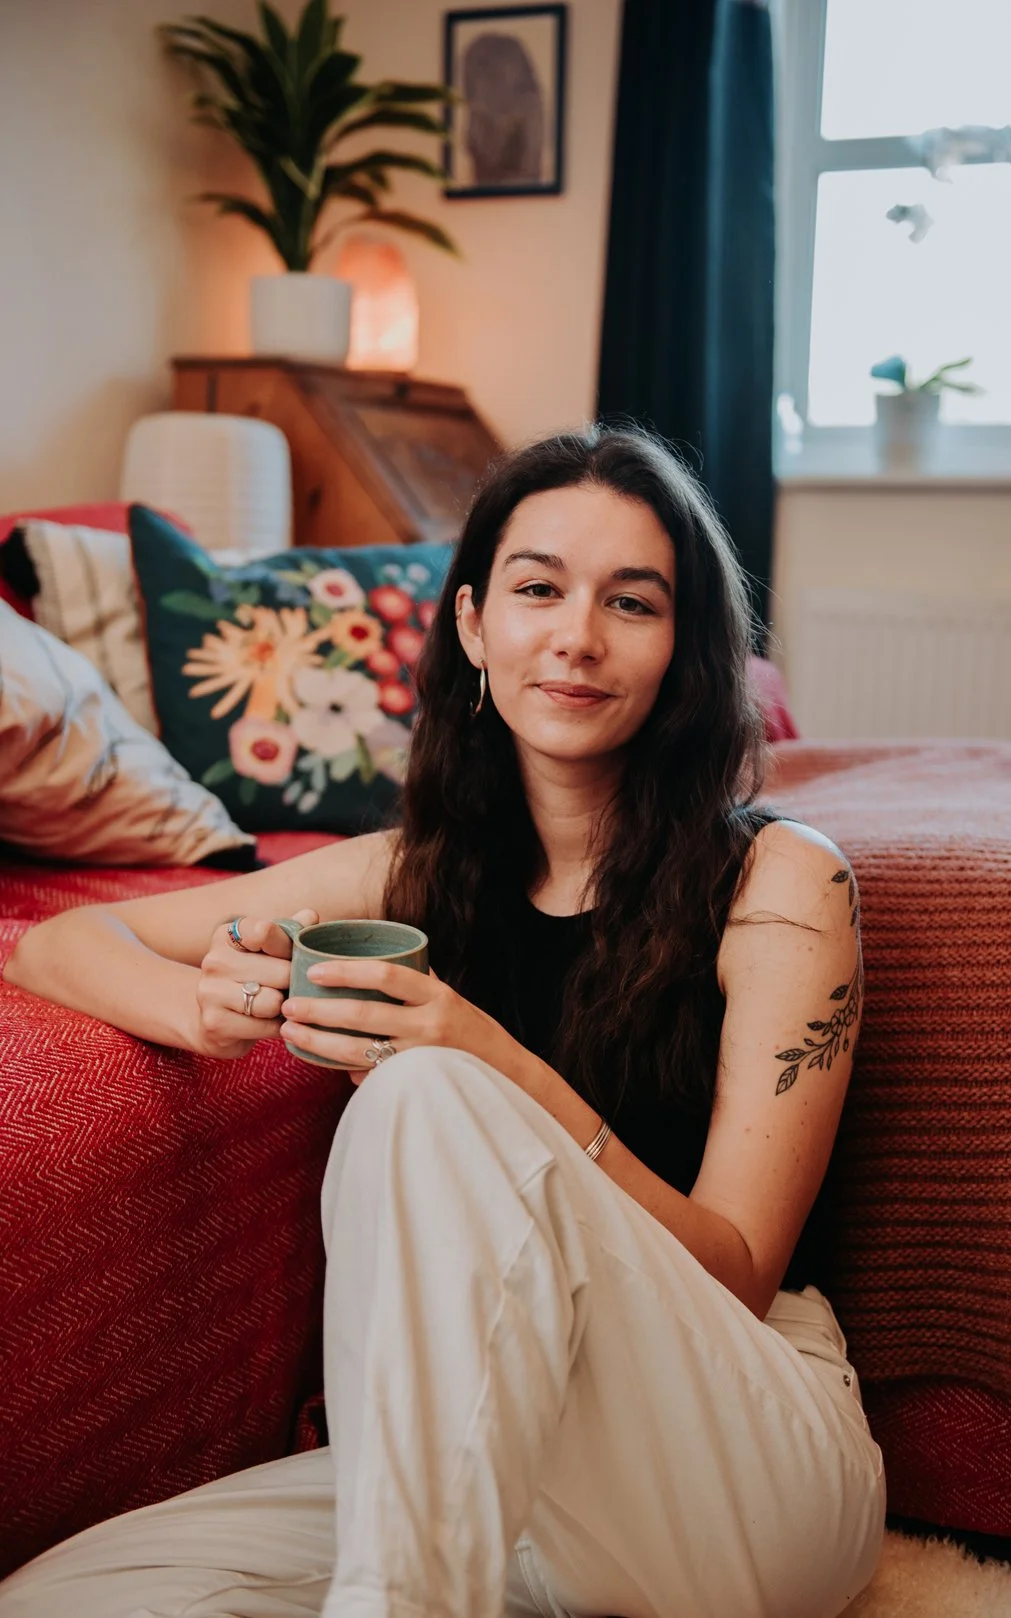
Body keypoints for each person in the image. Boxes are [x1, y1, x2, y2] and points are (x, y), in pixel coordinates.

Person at [0, 426, 884, 1618]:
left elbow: (734, 1273)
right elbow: (57, 939)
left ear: (684, 650)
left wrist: (483, 1058)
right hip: (512, 1440)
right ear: (472, 624)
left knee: (421, 1092)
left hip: (747, 1451)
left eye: (632, 602)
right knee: (77, 1593)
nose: (575, 637)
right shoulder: (408, 872)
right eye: (537, 590)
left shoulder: (784, 881)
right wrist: (205, 1006)